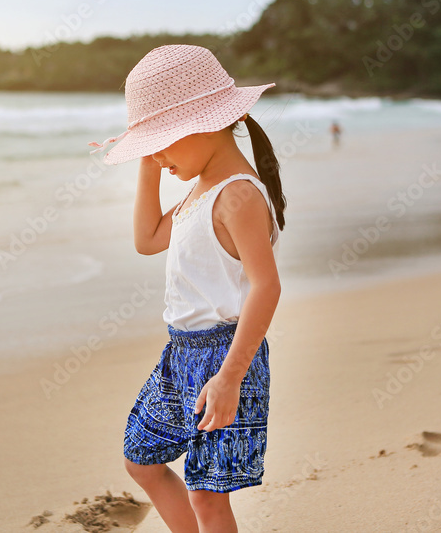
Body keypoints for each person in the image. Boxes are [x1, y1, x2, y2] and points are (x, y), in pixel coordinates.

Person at [88, 45, 285, 532]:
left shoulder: (237, 195)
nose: (156, 156)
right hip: (181, 356)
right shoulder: (200, 191)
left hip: (225, 356)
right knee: (142, 458)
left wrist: (230, 377)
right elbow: (147, 239)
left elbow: (266, 287)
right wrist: (150, 159)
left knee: (208, 496)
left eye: (163, 141)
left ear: (206, 123)